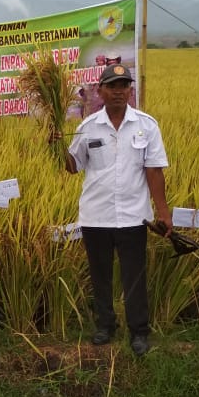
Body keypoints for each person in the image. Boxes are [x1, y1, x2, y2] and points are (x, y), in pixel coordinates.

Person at [65, 63, 171, 356]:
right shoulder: (86, 128)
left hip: (133, 215)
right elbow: (73, 167)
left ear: (130, 90)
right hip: (95, 214)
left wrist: (163, 213)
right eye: (112, 86)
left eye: (124, 86)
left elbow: (154, 171)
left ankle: (139, 331)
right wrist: (55, 146)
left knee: (134, 275)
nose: (119, 91)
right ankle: (105, 326)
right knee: (100, 274)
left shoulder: (146, 125)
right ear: (100, 90)